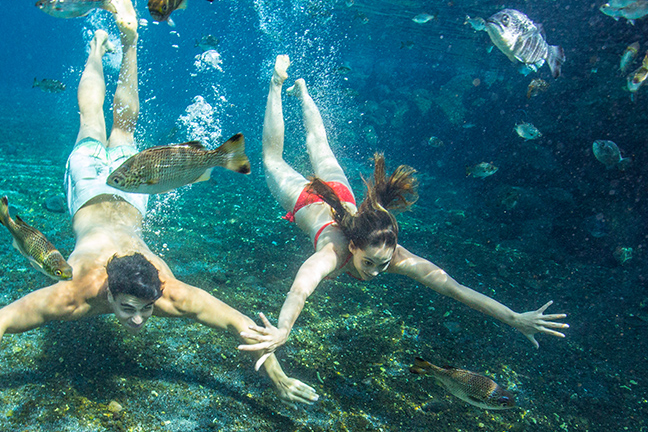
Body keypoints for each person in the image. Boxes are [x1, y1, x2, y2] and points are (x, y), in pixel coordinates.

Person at [0, 0, 317, 432]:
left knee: (119, 126)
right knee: (95, 123)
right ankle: (99, 48)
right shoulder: (75, 293)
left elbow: (240, 325)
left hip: (131, 192)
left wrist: (279, 377)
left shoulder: (166, 292)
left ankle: (127, 44)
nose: (138, 319)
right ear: (108, 291)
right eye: (128, 308)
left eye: (145, 309)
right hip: (93, 187)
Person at [240, 55, 568, 365]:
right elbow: (300, 289)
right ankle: (277, 83)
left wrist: (514, 318)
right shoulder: (333, 252)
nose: (375, 271)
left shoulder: (394, 256)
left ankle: (302, 90)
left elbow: (455, 289)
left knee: (319, 144)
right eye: (369, 262)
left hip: (342, 195)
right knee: (272, 158)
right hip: (307, 202)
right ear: (353, 246)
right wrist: (283, 329)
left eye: (382, 264)